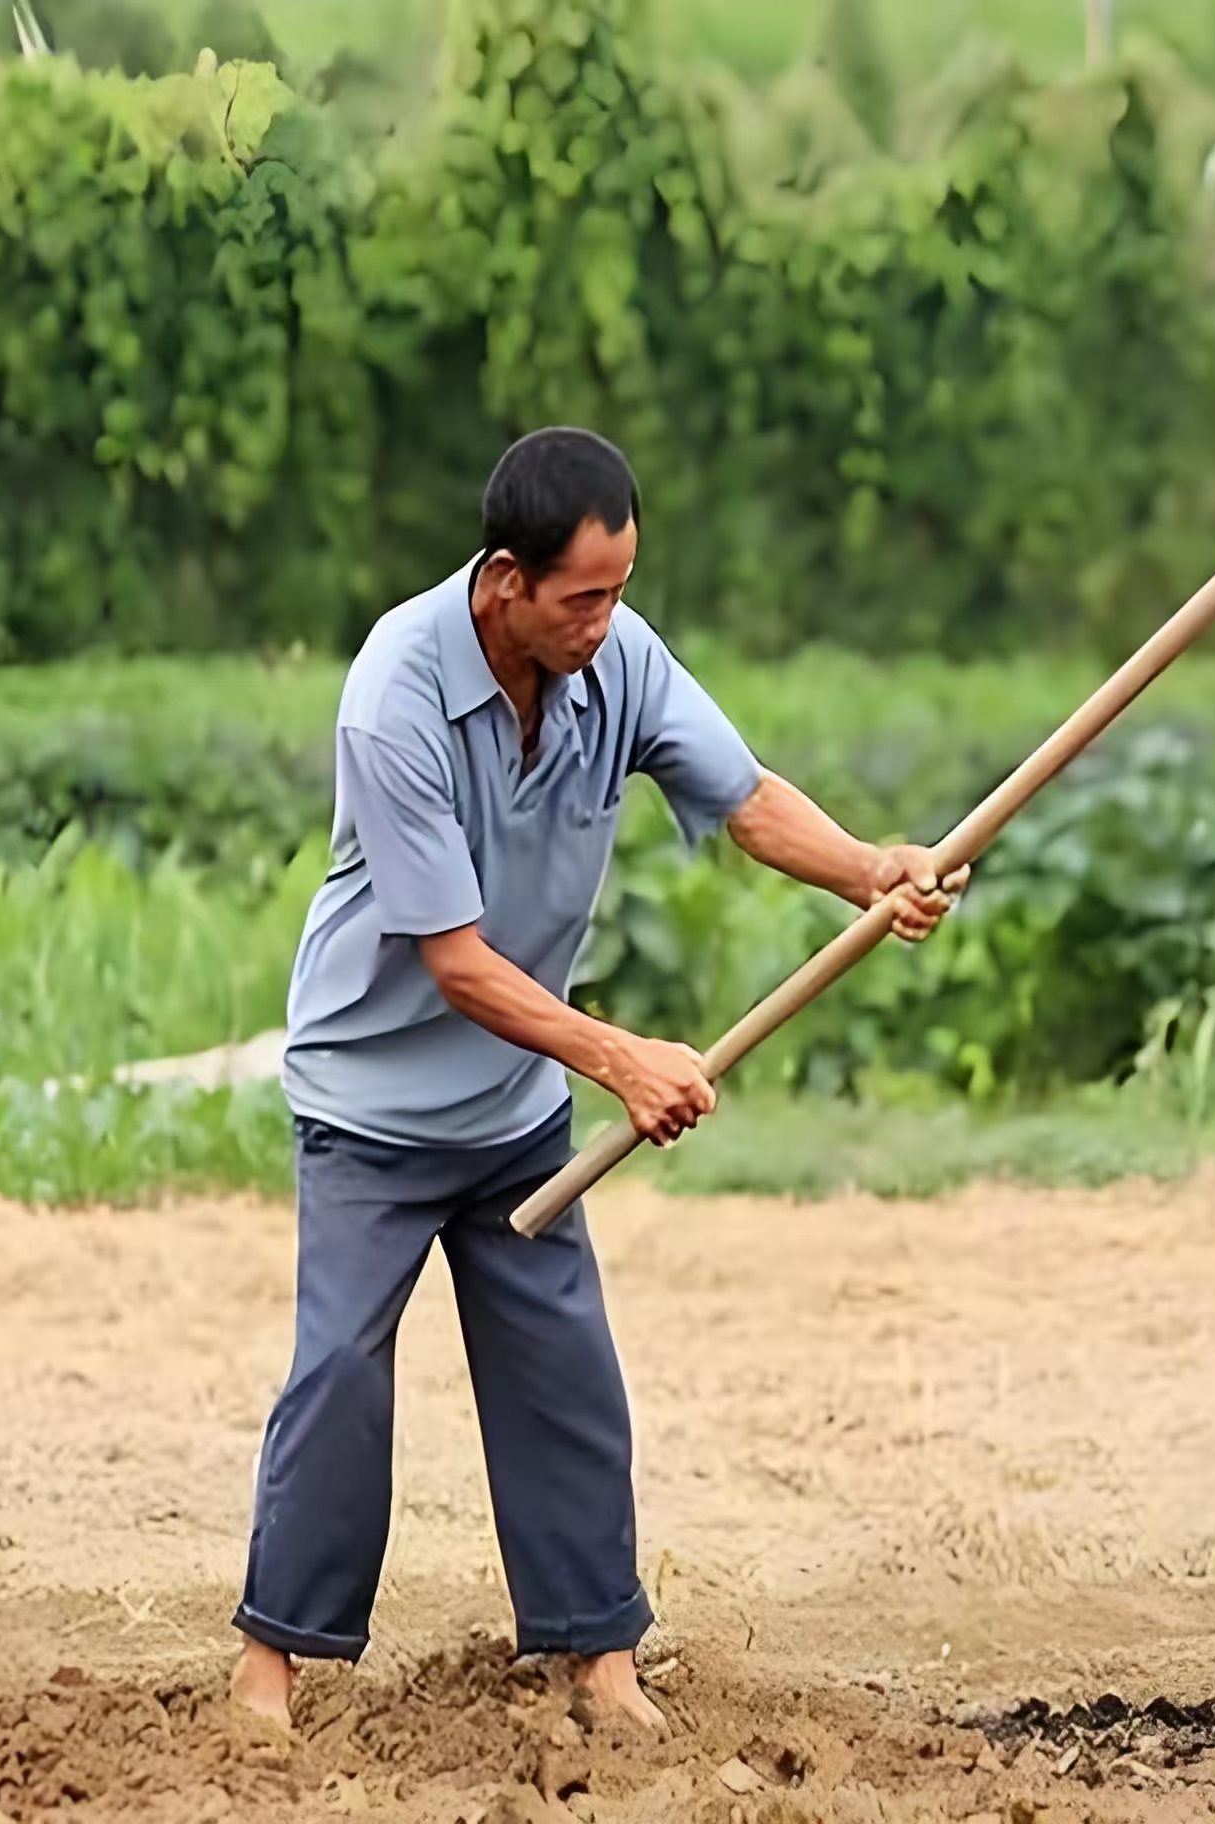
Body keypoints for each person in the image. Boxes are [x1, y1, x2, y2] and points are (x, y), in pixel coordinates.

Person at [228, 427, 966, 1734]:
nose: (607, 622)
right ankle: (269, 1672)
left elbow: (742, 797)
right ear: (507, 580)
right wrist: (622, 1055)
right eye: (584, 598)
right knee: (338, 1372)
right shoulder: (393, 693)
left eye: (620, 590)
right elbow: (455, 961)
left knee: (565, 1375)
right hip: (375, 1105)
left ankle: (600, 1664)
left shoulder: (616, 663)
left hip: (515, 1110)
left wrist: (867, 870)